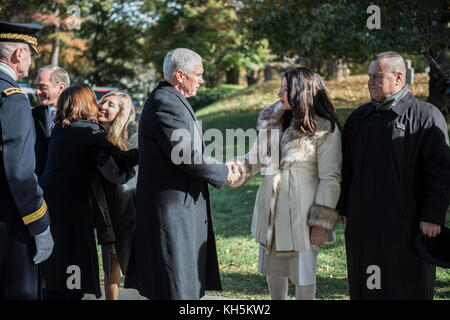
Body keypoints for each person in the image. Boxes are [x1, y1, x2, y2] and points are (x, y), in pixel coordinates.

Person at [126, 48, 239, 300]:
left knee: (180, 286)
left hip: (177, 208)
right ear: (180, 75)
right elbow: (185, 155)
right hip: (172, 213)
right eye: (197, 75)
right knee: (174, 288)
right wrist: (222, 171)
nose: (201, 80)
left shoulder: (171, 100)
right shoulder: (166, 102)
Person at [338, 51, 450, 299]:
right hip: (364, 226)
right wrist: (343, 206)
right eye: (369, 76)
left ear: (398, 78)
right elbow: (346, 168)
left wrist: (433, 216)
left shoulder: (426, 116)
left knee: (406, 287)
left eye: (377, 76)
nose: (370, 82)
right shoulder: (358, 119)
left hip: (407, 225)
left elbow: (440, 172)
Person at [227, 67, 342, 300]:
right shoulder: (274, 122)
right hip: (272, 208)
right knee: (273, 268)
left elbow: (330, 178)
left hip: (303, 213)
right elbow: (255, 159)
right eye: (280, 88)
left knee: (303, 271)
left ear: (301, 92)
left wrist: (321, 223)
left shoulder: (325, 128)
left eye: (286, 89)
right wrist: (236, 168)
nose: (280, 94)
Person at [39, 84, 138, 300]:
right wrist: (149, 151)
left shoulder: (62, 129)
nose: (98, 105)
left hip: (51, 208)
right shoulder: (89, 130)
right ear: (85, 104)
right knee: (72, 276)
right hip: (72, 211)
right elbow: (118, 163)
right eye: (96, 100)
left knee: (55, 274)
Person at [0, 21, 54, 300]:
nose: (31, 63)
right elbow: (19, 171)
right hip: (10, 224)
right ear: (19, 54)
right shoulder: (13, 97)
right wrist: (40, 223)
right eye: (32, 55)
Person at [97, 91, 138, 300]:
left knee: (140, 264)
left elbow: (123, 177)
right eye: (102, 102)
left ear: (121, 112)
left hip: (130, 210)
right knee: (111, 263)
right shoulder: (95, 135)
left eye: (110, 104)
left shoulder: (133, 135)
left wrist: (102, 159)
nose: (103, 106)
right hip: (106, 210)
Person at [32, 65, 70, 178]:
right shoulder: (33, 115)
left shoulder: (79, 117)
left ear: (61, 88)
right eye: (37, 87)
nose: (37, 92)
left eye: (43, 87)